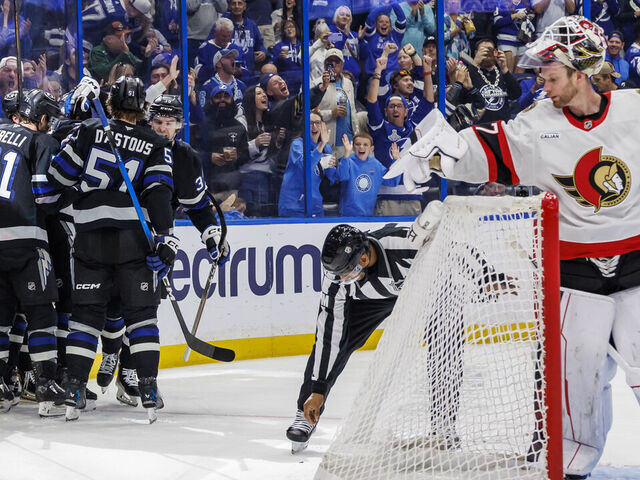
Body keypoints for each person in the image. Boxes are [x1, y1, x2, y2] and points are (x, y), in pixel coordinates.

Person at [385, 15, 640, 480]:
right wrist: (434, 157)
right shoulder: (535, 124)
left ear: (581, 72)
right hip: (575, 275)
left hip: (639, 269)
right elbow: (483, 150)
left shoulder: (634, 110)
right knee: (576, 376)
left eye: (552, 73)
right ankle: (572, 463)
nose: (542, 81)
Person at [46, 76, 175, 422]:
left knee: (86, 318)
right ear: (143, 108)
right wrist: (165, 238)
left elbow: (59, 176)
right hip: (134, 240)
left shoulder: (88, 130)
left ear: (111, 104)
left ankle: (74, 387)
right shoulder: (154, 142)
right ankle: (148, 387)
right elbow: (159, 193)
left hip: (89, 238)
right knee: (142, 316)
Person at [96, 95, 230, 397]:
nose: (163, 128)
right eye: (157, 122)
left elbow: (197, 206)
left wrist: (212, 235)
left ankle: (129, 371)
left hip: (155, 240)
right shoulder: (135, 144)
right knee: (112, 307)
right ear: (147, 120)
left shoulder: (184, 156)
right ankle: (111, 352)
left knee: (142, 308)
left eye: (169, 123)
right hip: (115, 231)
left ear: (180, 126)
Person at [285, 203, 444, 452]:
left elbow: (453, 250)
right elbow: (329, 335)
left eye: (347, 273)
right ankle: (304, 415)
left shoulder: (404, 245)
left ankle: (444, 427)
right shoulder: (336, 279)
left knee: (443, 341)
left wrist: (486, 276)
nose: (342, 279)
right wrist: (318, 389)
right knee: (333, 346)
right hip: (370, 302)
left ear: (364, 257)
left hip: (422, 290)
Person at [0, 89, 65, 416]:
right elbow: (43, 192)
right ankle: (45, 387)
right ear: (40, 118)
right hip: (26, 239)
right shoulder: (42, 141)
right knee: (41, 312)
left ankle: (0, 386)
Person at [367, 54, 434, 215]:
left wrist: (427, 73)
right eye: (391, 106)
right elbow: (372, 101)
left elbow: (429, 101)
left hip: (412, 196)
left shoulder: (414, 126)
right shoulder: (379, 128)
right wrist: (378, 72)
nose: (395, 109)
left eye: (399, 106)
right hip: (386, 196)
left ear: (406, 111)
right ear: (386, 111)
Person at [325, 133, 401, 216]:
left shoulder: (376, 165)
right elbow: (342, 177)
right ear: (353, 147)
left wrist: (396, 161)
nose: (361, 147)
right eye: (358, 144)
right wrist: (346, 154)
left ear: (371, 148)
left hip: (368, 215)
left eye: (365, 145)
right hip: (347, 215)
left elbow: (392, 182)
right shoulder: (347, 161)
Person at [278, 109, 333, 217]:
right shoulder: (297, 145)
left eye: (317, 123)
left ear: (323, 125)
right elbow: (305, 165)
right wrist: (321, 145)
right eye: (310, 123)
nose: (314, 126)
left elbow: (333, 178)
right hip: (293, 206)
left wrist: (341, 161)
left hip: (315, 206)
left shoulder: (326, 148)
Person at [469, 36, 522, 123]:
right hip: (480, 127)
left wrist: (505, 69)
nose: (487, 53)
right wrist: (475, 62)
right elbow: (463, 95)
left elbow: (516, 94)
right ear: (476, 53)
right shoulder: (472, 72)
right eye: (483, 50)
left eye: (490, 50)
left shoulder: (502, 74)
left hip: (502, 127)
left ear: (495, 52)